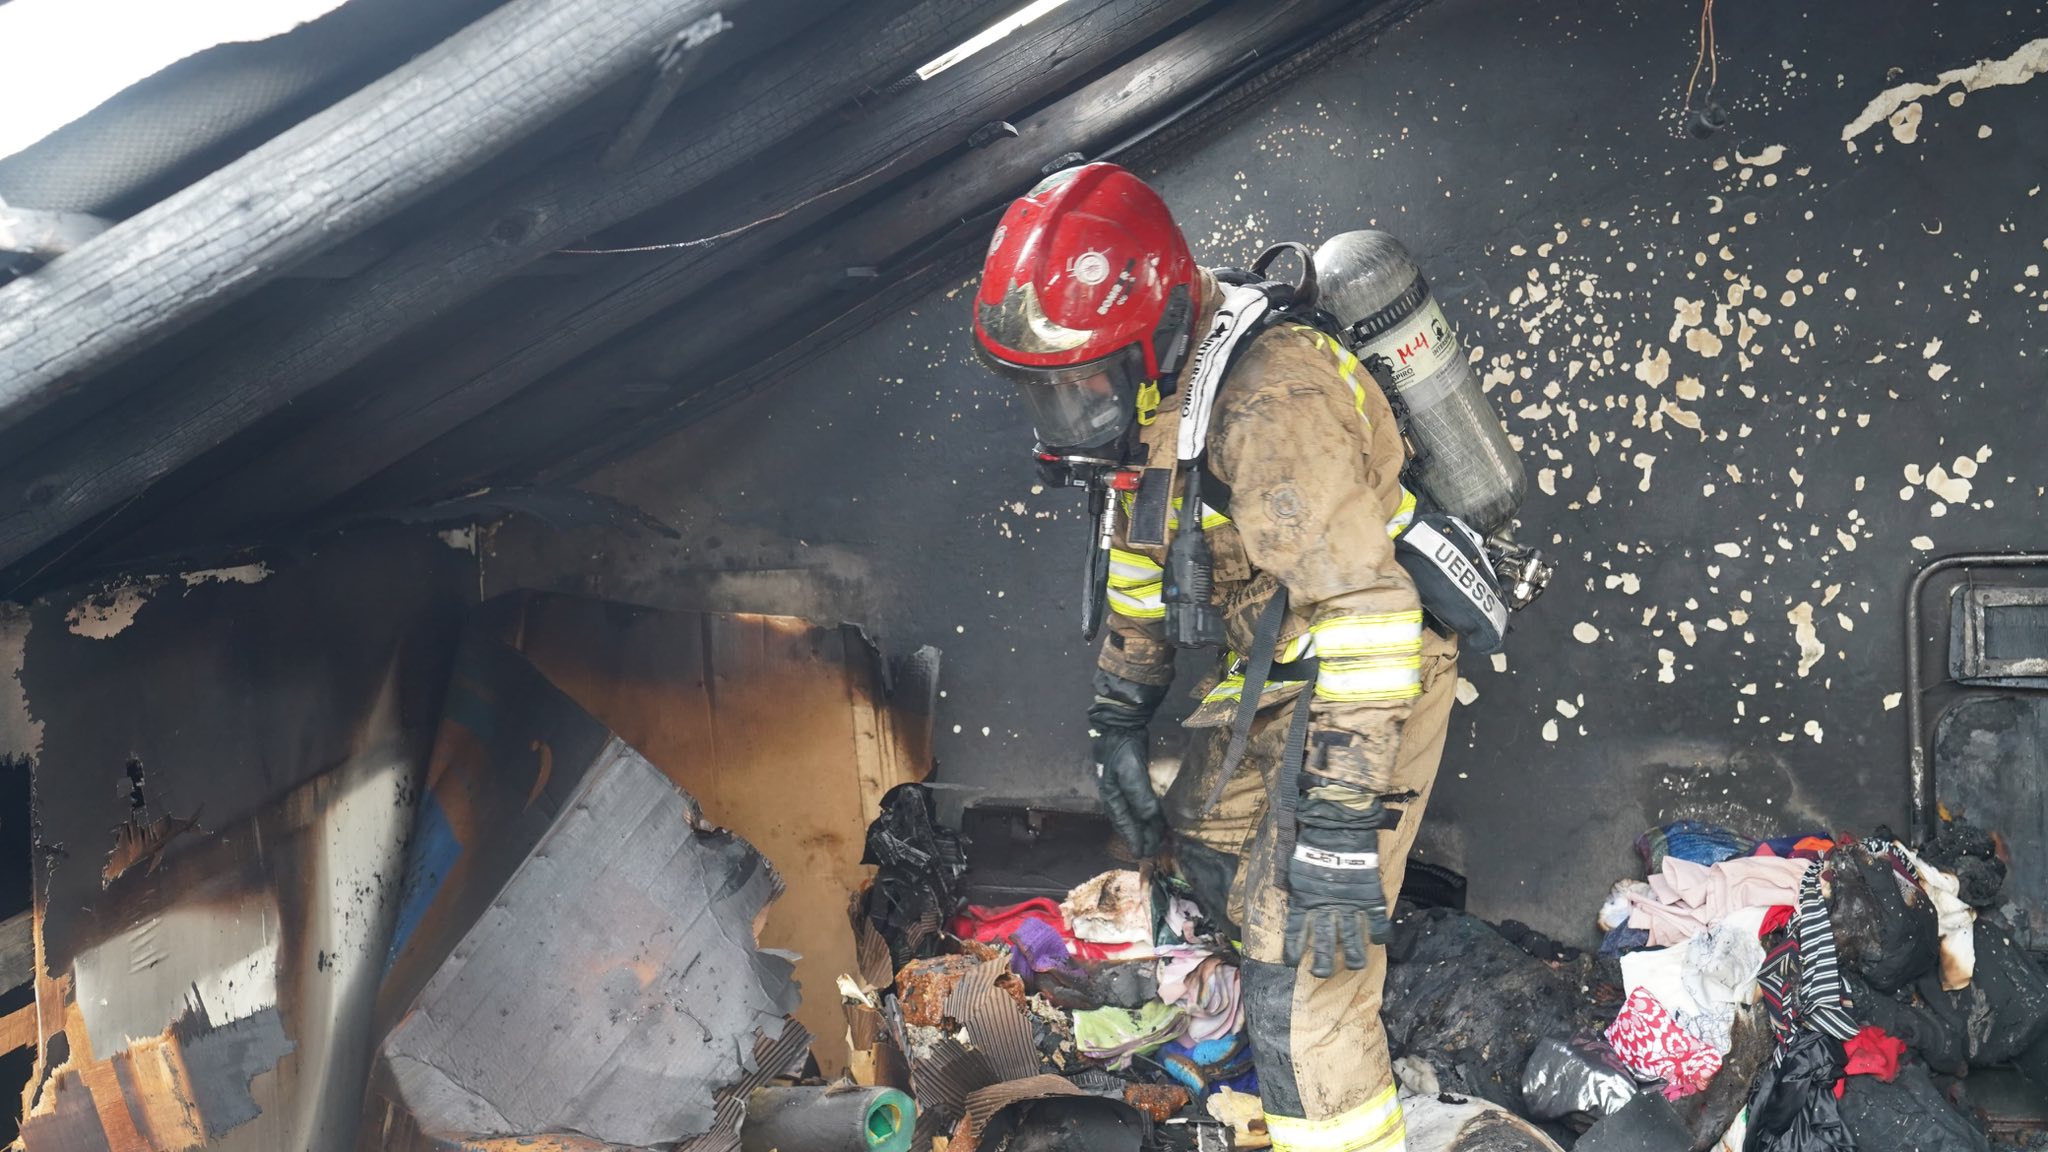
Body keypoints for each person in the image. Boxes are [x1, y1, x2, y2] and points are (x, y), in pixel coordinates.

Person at [971, 162, 1460, 1152]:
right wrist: (1120, 709)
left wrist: (1333, 822)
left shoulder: (1264, 407)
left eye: (1080, 384)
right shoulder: (1154, 392)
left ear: (1151, 328)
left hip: (1376, 671)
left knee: (1303, 990)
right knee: (1195, 843)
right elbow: (1144, 568)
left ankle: (1333, 1116)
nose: (1070, 415)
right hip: (1283, 660)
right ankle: (1242, 1042)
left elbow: (1369, 614)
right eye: (1047, 394)